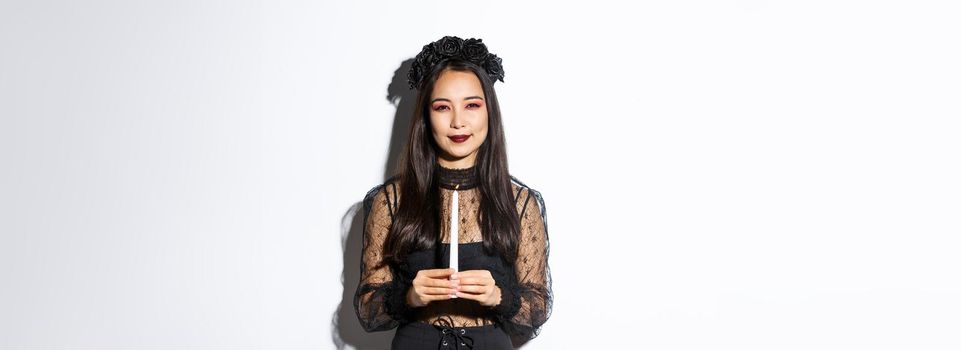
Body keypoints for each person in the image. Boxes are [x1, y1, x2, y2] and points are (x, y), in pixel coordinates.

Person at [353, 36, 552, 350]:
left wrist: (499, 296)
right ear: (426, 116)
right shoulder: (390, 201)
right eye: (442, 107)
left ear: (490, 113)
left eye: (472, 105)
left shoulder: (519, 202)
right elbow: (368, 310)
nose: (458, 121)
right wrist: (408, 296)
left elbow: (538, 306)